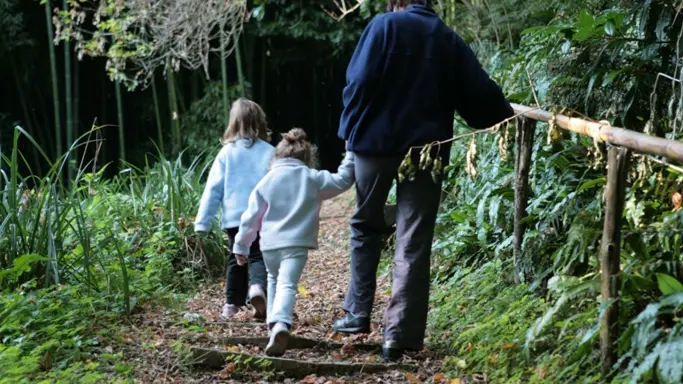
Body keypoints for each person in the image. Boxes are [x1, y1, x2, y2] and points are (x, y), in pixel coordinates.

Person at [333, 0, 514, 361]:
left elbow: (358, 80)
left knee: (366, 224)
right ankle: (397, 338)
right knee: (413, 237)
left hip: (375, 144)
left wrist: (350, 130)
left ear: (397, 2)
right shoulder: (448, 39)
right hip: (427, 151)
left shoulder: (383, 26)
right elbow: (479, 94)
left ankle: (357, 314)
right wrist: (503, 113)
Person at [233, 128, 355, 357]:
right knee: (287, 284)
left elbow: (250, 218)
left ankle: (272, 327)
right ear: (307, 158)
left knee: (273, 279)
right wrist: (350, 155)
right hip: (296, 244)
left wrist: (241, 246)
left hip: (268, 245)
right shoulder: (312, 177)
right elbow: (342, 181)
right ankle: (280, 323)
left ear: (276, 157)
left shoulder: (266, 181)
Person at [193, 98, 275, 320]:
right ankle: (258, 287)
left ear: (233, 123)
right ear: (259, 121)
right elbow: (279, 185)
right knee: (258, 255)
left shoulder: (226, 153)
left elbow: (213, 190)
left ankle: (231, 304)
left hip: (234, 219)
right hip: (262, 216)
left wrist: (202, 222)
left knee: (235, 257)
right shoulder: (270, 152)